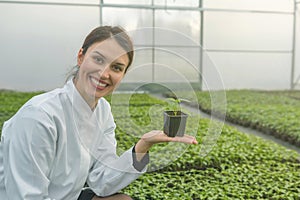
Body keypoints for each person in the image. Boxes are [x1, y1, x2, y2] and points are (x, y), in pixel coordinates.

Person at [0, 26, 197, 200]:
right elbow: (26, 195)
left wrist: (143, 146)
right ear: (80, 56)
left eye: (117, 67)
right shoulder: (39, 117)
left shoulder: (102, 111)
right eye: (98, 59)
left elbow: (101, 181)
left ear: (122, 75)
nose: (104, 74)